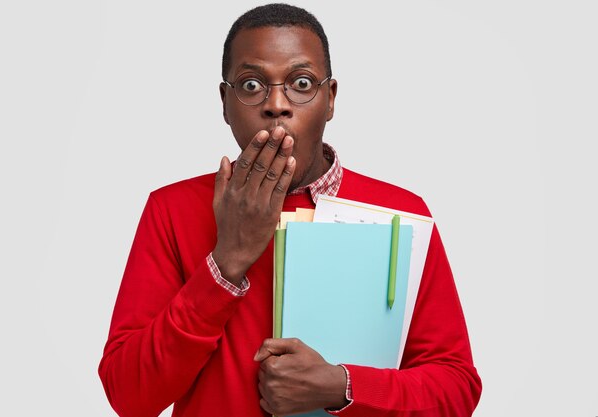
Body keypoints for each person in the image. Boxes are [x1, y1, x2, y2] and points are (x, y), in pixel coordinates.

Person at [98, 4, 482, 417]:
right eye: (250, 85)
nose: (277, 104)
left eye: (301, 83)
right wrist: (225, 263)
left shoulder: (399, 213)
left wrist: (343, 386)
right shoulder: (170, 210)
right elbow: (129, 397)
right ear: (225, 103)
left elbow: (456, 390)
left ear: (330, 99)